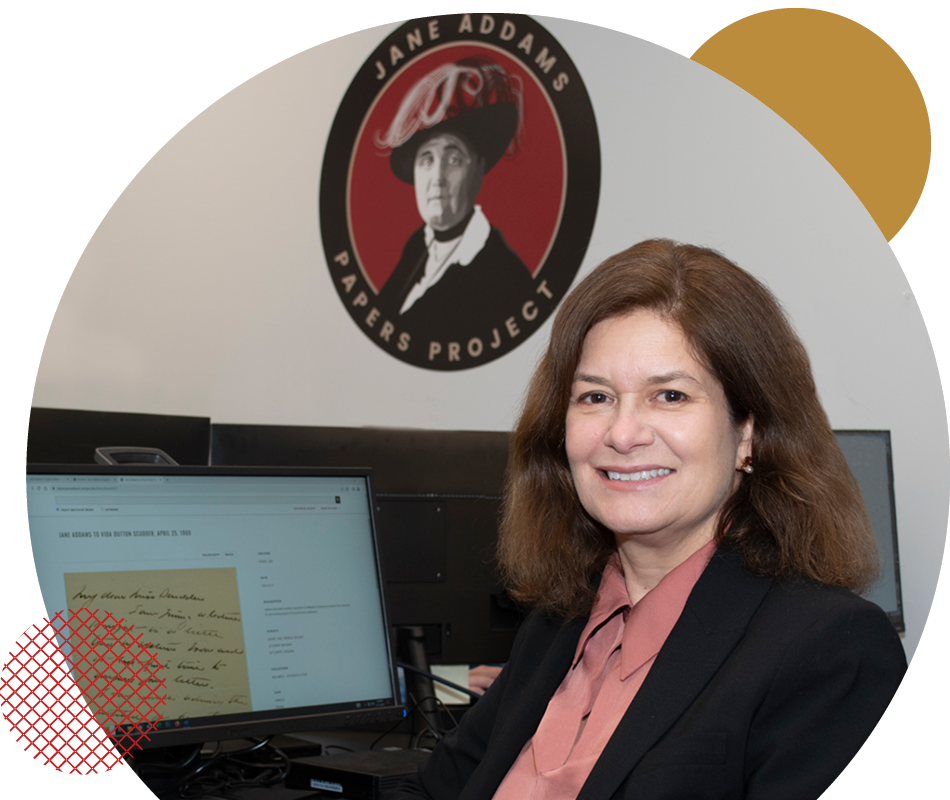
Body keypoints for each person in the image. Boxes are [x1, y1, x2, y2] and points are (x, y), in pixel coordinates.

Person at [385, 239, 907, 800]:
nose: (623, 432)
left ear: (747, 433)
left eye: (671, 395)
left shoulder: (832, 650)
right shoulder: (559, 622)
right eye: (595, 398)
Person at [376, 58, 534, 332]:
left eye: (453, 160)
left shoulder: (504, 276)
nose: (437, 179)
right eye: (426, 160)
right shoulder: (416, 249)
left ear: (479, 169)